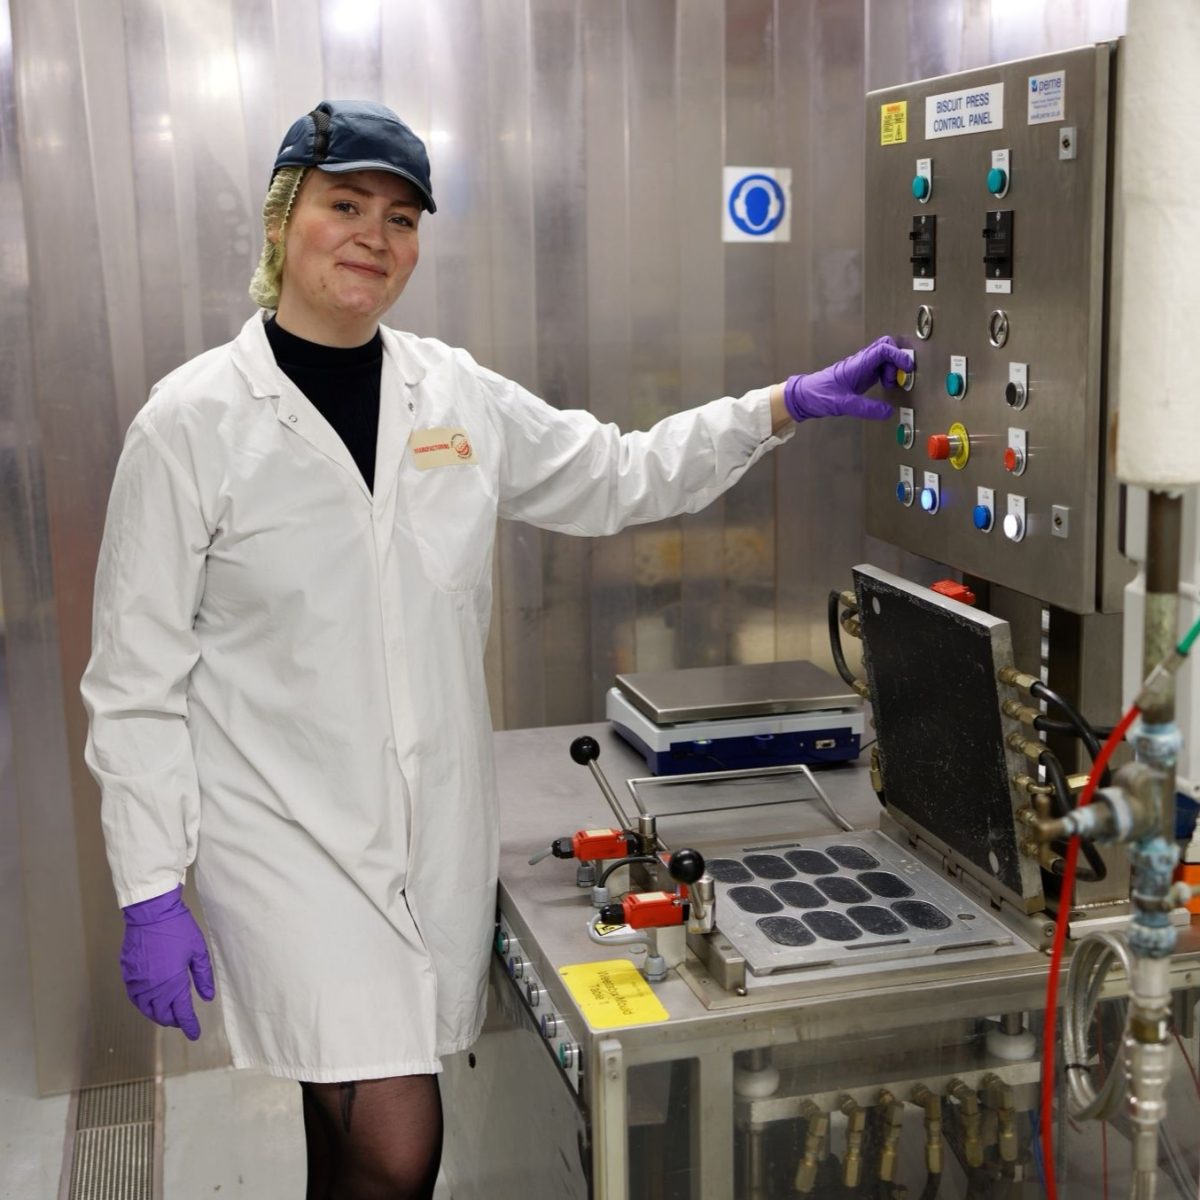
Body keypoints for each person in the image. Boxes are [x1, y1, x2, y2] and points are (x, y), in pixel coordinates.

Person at [81, 100, 911, 1199]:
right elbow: (135, 683)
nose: (375, 236)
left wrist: (779, 408)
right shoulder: (188, 424)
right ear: (283, 222)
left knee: (347, 1120)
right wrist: (149, 884)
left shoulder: (453, 394)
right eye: (346, 205)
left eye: (402, 217)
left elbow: (618, 474)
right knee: (397, 1138)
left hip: (432, 836)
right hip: (278, 837)